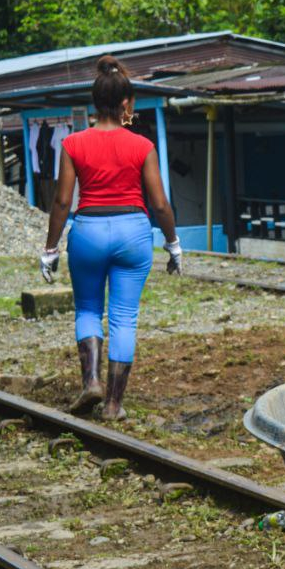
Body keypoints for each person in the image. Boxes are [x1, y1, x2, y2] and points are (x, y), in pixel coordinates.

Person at [40, 56, 182, 422]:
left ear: (94, 102)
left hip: (88, 231)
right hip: (132, 234)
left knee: (88, 309)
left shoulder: (73, 144)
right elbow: (160, 203)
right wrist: (173, 244)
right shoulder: (142, 146)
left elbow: (62, 201)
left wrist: (50, 248)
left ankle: (91, 381)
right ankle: (114, 405)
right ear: (125, 104)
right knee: (124, 318)